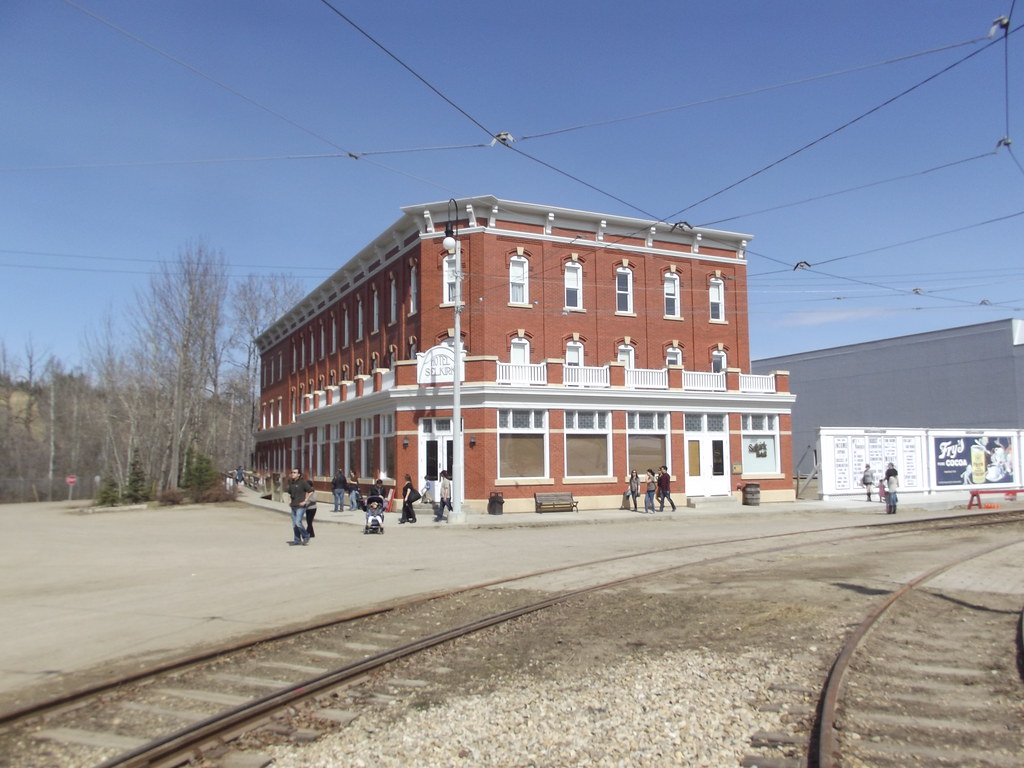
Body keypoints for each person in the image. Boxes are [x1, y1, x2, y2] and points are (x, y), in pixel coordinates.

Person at [286, 468, 315, 545]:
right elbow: (289, 493)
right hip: (293, 506)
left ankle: (306, 535)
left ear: (299, 474)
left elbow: (311, 491)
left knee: (298, 522)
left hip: (300, 506)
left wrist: (305, 501)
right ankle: (297, 540)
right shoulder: (291, 483)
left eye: (294, 472)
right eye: (292, 472)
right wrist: (289, 500)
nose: (292, 474)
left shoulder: (303, 483)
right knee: (294, 525)